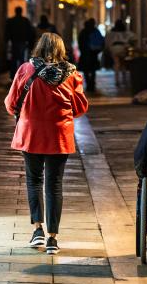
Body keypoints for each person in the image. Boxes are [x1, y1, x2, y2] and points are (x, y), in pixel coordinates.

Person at [5, 32, 88, 255]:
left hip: (31, 133)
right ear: (61, 50)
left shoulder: (26, 70)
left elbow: (11, 103)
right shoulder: (71, 74)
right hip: (58, 135)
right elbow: (80, 108)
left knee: (34, 181)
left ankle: (37, 230)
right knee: (54, 184)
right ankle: (53, 238)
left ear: (38, 48)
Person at [106, 18, 137, 88]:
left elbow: (107, 41)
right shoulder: (126, 32)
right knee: (123, 64)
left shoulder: (111, 33)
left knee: (116, 64)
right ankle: (124, 80)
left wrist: (108, 49)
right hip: (123, 48)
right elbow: (134, 38)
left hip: (114, 48)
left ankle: (117, 81)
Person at [6, 6, 36, 79]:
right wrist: (29, 42)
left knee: (14, 59)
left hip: (14, 42)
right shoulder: (25, 20)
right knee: (22, 59)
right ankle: (22, 75)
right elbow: (30, 32)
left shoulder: (11, 20)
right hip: (23, 42)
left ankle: (13, 76)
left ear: (15, 11)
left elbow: (7, 32)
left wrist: (7, 41)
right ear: (21, 11)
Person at [77, 17, 104, 92]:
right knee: (93, 69)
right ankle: (92, 83)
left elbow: (80, 42)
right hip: (93, 53)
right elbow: (101, 41)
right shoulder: (96, 31)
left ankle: (88, 83)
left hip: (85, 53)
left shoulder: (83, 31)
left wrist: (82, 50)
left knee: (86, 69)